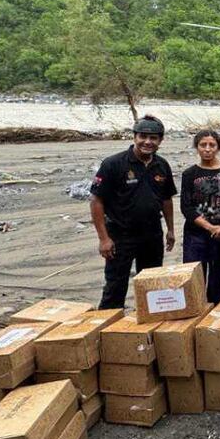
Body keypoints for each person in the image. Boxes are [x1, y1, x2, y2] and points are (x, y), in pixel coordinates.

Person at [89, 115, 177, 309]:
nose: (147, 142)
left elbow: (166, 199)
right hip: (120, 235)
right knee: (115, 285)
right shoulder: (113, 164)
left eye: (153, 138)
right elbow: (96, 200)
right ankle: (108, 330)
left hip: (152, 234)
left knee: (151, 284)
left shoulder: (162, 165)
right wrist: (104, 238)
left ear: (160, 141)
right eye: (143, 136)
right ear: (134, 137)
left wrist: (170, 230)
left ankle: (147, 329)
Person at [180, 129, 220, 304]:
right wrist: (210, 227)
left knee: (218, 275)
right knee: (194, 276)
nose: (207, 149)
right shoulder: (190, 174)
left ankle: (218, 318)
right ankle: (195, 314)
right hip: (196, 234)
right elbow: (186, 208)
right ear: (196, 147)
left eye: (211, 145)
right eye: (202, 145)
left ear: (218, 147)